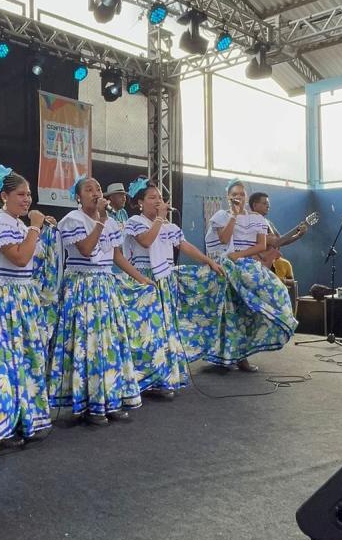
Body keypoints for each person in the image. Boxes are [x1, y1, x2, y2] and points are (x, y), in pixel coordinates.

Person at [47, 176, 162, 425]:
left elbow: (116, 256)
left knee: (108, 345)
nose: (96, 192)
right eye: (89, 189)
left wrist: (141, 278)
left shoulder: (110, 223)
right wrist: (99, 221)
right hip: (82, 287)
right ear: (78, 197)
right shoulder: (73, 220)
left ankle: (110, 400)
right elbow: (86, 250)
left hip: (105, 286)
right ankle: (90, 405)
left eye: (98, 188)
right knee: (87, 345)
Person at [0, 165, 56, 447]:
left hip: (21, 299)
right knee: (5, 360)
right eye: (20, 194)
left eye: (29, 194)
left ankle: (25, 418)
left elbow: (34, 260)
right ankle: (1, 425)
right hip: (2, 301)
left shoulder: (17, 224)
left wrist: (44, 232)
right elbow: (19, 257)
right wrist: (35, 227)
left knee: (26, 358)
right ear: (4, 196)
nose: (27, 199)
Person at [120, 178, 225, 391]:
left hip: (164, 280)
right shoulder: (135, 222)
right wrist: (159, 219)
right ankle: (141, 379)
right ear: (140, 202)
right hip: (144, 280)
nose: (158, 201)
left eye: (160, 197)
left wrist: (209, 261)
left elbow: (184, 245)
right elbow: (146, 241)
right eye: (152, 198)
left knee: (164, 329)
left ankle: (162, 378)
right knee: (144, 330)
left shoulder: (169, 226)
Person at [204, 179, 297, 371]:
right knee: (229, 312)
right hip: (227, 267)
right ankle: (223, 358)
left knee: (267, 298)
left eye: (241, 194)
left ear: (246, 197)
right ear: (228, 197)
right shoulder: (222, 215)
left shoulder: (257, 219)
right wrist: (234, 216)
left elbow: (262, 245)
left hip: (248, 266)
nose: (238, 197)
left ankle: (243, 356)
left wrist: (240, 255)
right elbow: (223, 239)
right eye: (234, 194)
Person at [248, 192, 308, 277]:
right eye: (265, 203)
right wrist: (297, 229)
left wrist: (298, 235)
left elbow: (281, 241)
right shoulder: (250, 223)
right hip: (256, 266)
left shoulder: (268, 222)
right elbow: (277, 242)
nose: (268, 206)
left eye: (268, 204)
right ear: (254, 205)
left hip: (268, 265)